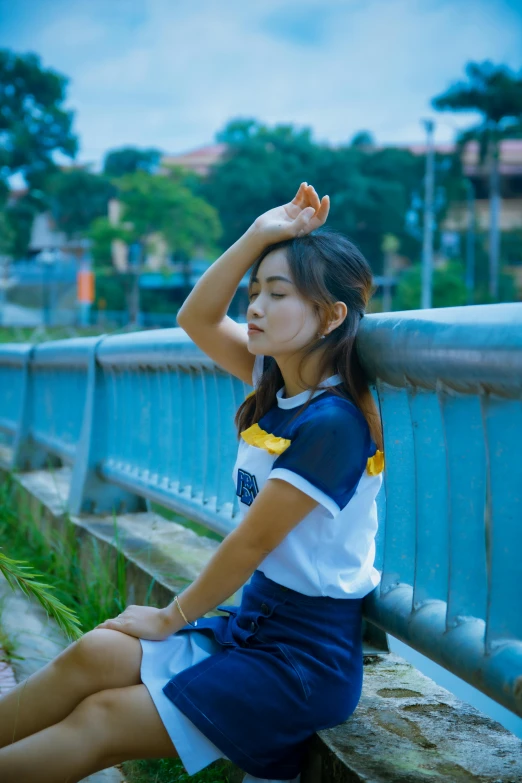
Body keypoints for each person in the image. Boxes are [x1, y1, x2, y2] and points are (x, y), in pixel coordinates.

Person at [0, 183, 384, 783]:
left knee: (104, 718)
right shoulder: (276, 384)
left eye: (276, 294)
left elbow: (251, 544)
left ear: (332, 315)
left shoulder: (331, 423)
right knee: (99, 651)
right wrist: (260, 235)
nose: (254, 307)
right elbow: (196, 317)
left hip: (300, 660)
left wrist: (170, 616)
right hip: (254, 626)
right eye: (254, 292)